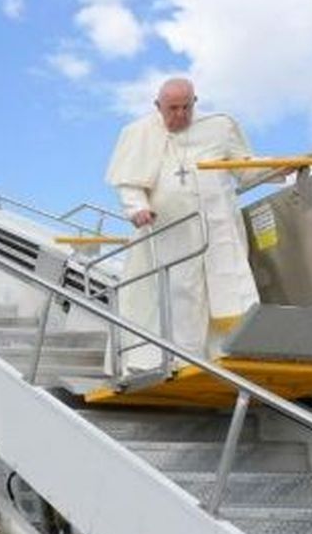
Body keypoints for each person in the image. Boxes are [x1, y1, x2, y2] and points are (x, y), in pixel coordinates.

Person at [105, 77, 260, 370]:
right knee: (177, 294)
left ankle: (222, 358)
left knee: (222, 292)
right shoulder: (139, 132)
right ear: (157, 106)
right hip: (168, 234)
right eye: (172, 109)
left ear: (195, 102)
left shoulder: (219, 126)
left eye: (186, 107)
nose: (180, 115)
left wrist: (282, 168)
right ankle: (176, 360)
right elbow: (130, 183)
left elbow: (246, 168)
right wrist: (138, 208)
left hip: (217, 231)